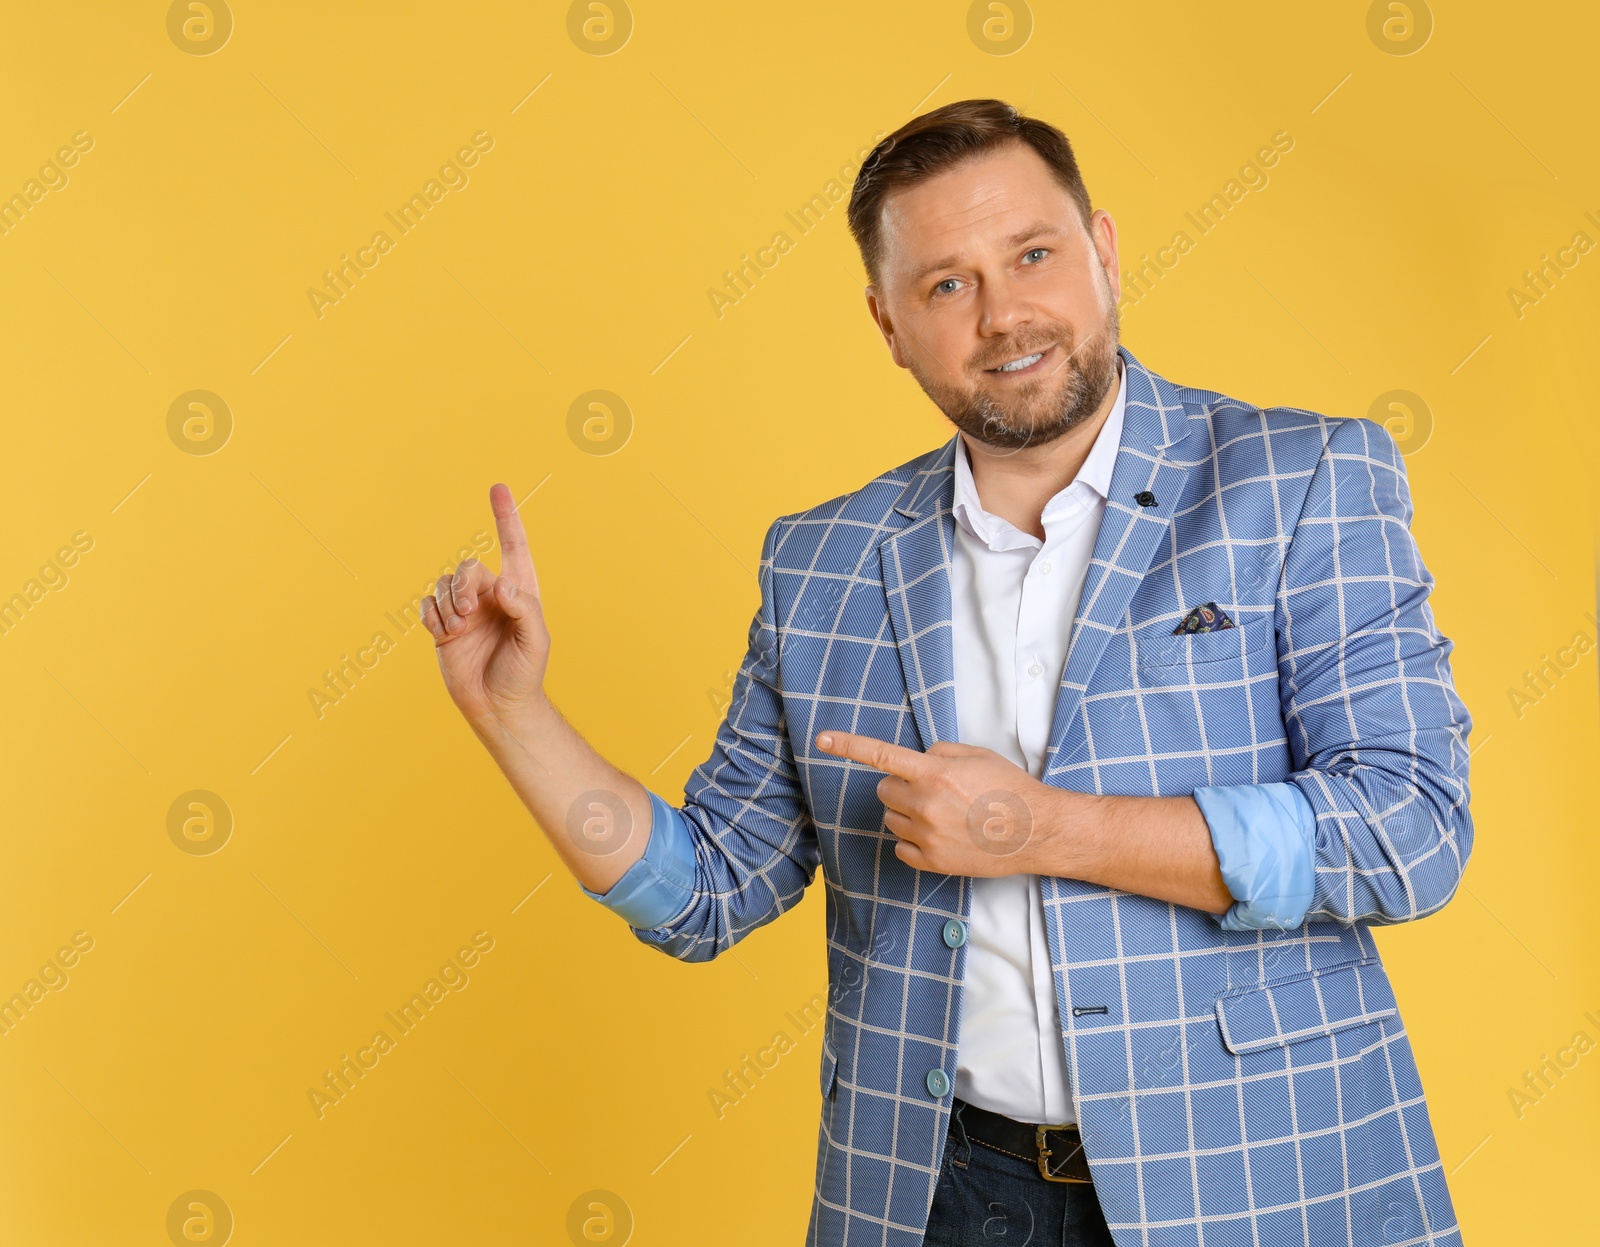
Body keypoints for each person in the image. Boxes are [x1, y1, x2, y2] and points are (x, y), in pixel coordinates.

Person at [420, 99, 1472, 1247]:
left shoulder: (1303, 478)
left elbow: (1407, 829)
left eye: (1032, 254)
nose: (1004, 313)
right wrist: (513, 713)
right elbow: (708, 890)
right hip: (937, 1196)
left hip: (1263, 1178)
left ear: (1104, 254)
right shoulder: (820, 560)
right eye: (945, 284)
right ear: (887, 324)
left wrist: (1043, 828)